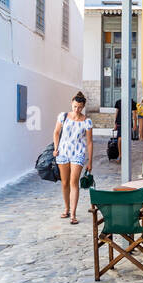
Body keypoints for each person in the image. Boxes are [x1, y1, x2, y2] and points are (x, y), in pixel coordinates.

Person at [53, 92, 93, 224]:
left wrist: (90, 161)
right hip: (63, 152)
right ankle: (66, 208)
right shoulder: (63, 116)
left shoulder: (87, 121)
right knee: (64, 182)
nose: (77, 109)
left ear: (83, 107)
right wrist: (55, 148)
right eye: (75, 106)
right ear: (72, 103)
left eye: (80, 107)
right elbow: (56, 132)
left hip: (78, 153)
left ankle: (73, 214)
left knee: (74, 182)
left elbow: (89, 142)